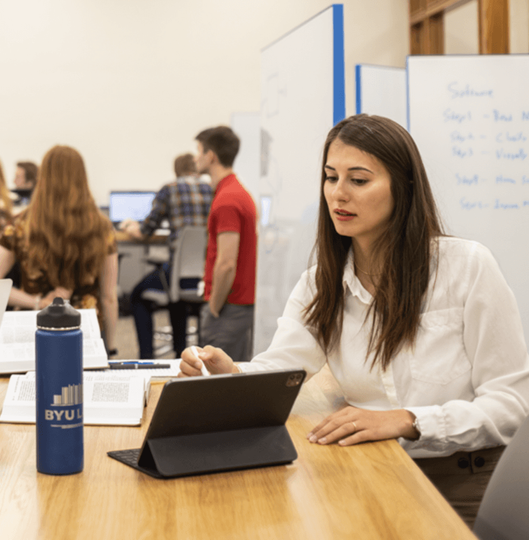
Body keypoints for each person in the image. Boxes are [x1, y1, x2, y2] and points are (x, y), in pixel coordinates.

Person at [179, 114, 529, 527]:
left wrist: (411, 420)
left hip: (462, 479)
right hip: (369, 469)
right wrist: (232, 374)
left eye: (358, 180)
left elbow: (511, 404)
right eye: (331, 177)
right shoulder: (320, 284)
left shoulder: (466, 267)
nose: (338, 194)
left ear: (404, 186)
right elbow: (283, 366)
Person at [0, 145, 118, 354]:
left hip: (34, 332)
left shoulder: (21, 225)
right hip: (85, 335)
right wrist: (111, 349)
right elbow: (109, 297)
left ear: (42, 178)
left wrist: (38, 302)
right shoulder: (102, 227)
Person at [119, 153, 213, 359]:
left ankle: (147, 357)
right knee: (174, 291)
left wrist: (130, 226)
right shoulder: (212, 189)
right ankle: (184, 353)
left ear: (176, 171)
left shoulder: (169, 190)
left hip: (177, 277)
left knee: (138, 295)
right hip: (206, 277)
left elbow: (146, 230)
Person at [195, 126, 256, 361]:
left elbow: (226, 263)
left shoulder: (227, 200)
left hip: (228, 307)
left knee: (219, 377)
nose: (195, 158)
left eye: (199, 151)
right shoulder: (236, 192)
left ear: (210, 156)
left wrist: (213, 307)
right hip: (238, 306)